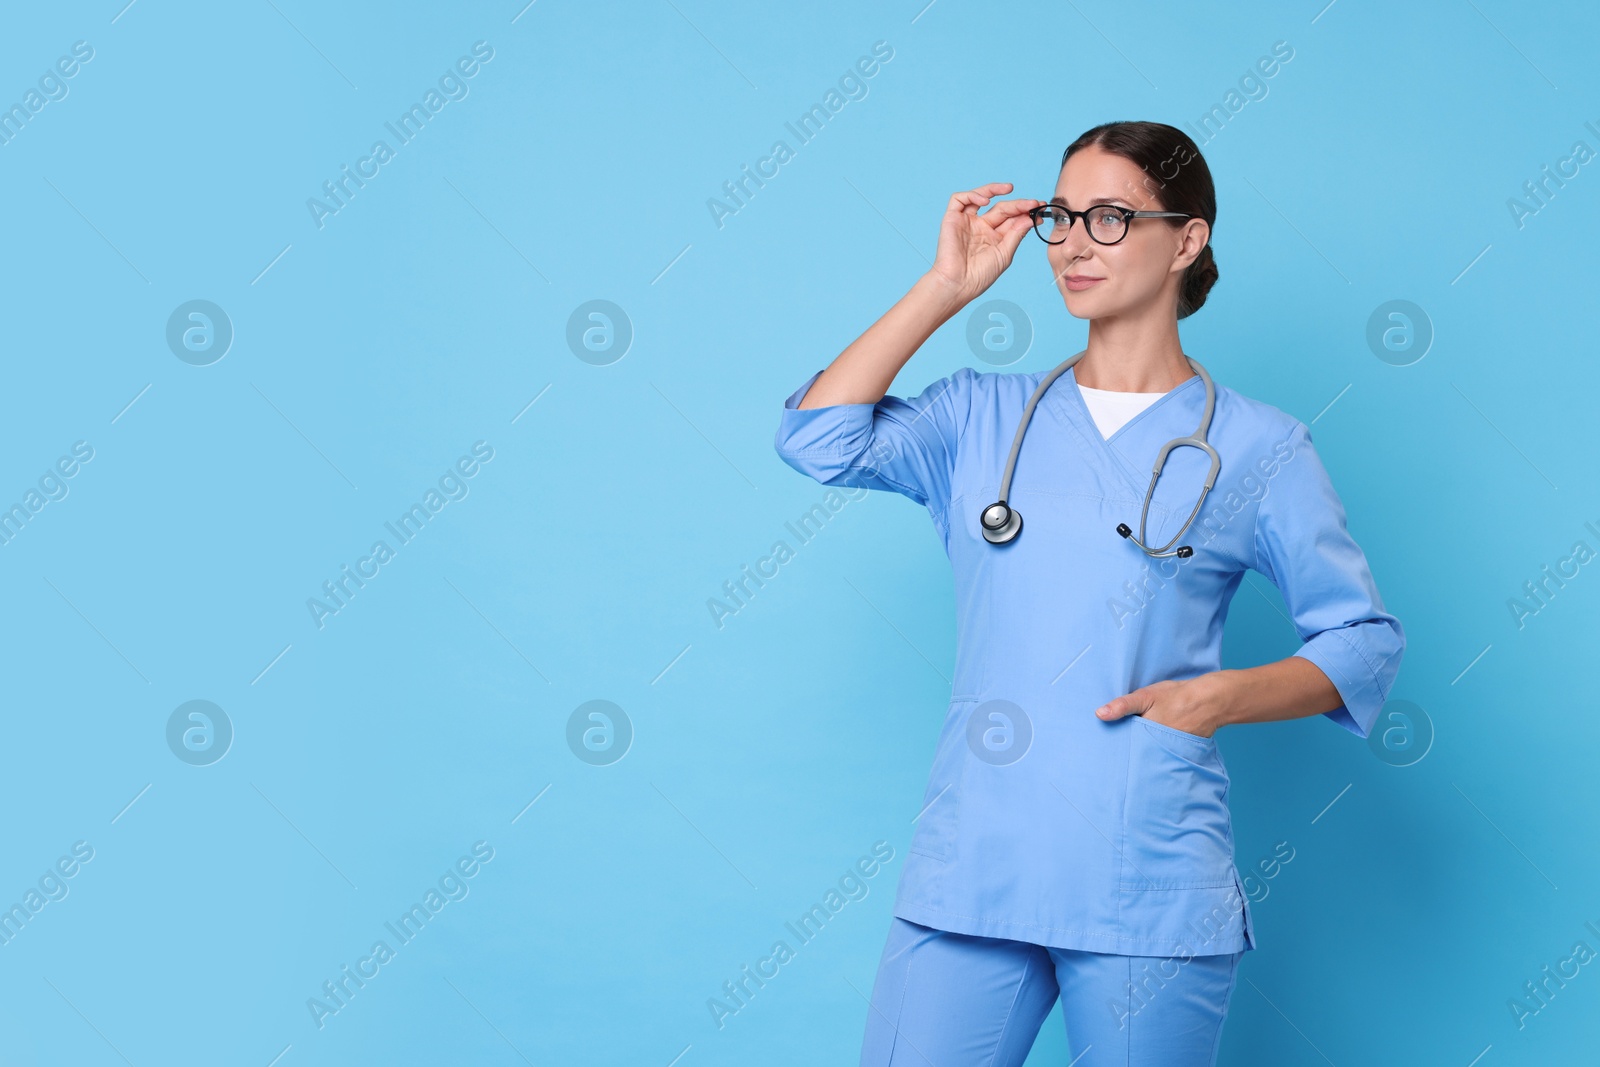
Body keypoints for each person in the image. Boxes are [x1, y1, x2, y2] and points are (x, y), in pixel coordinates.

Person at [771, 121, 1406, 1066]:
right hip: (974, 868)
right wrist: (944, 290)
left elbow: (1362, 640)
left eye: (1110, 217)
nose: (1072, 243)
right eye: (1062, 217)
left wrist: (1213, 698)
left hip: (1146, 869)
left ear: (1186, 239)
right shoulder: (979, 417)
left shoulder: (1259, 448)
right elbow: (818, 439)